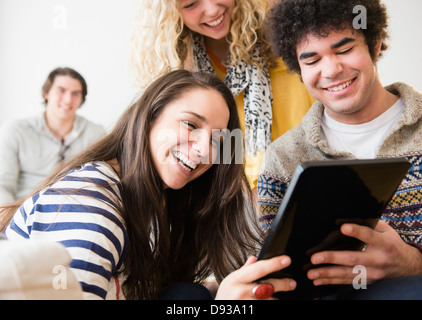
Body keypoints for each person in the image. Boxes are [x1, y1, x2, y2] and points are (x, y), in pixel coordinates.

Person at [0, 70, 296, 300]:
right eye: (191, 125)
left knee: (191, 297)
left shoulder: (157, 200)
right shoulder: (92, 205)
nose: (205, 150)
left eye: (219, 139)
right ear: (149, 118)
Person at [258, 0, 422, 299]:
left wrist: (414, 263)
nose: (331, 70)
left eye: (344, 50)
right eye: (311, 60)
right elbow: (275, 273)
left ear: (374, 46)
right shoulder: (282, 158)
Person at [130, 0, 314, 192]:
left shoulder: (289, 35)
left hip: (308, 184)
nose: (212, 10)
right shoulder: (179, 70)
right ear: (171, 14)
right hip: (234, 203)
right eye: (191, 4)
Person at [0, 67, 105, 205]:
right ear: (46, 93)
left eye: (75, 94)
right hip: (22, 214)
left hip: (75, 212)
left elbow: (103, 183)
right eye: (61, 91)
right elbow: (2, 186)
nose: (68, 100)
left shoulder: (96, 133)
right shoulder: (16, 130)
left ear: (81, 100)